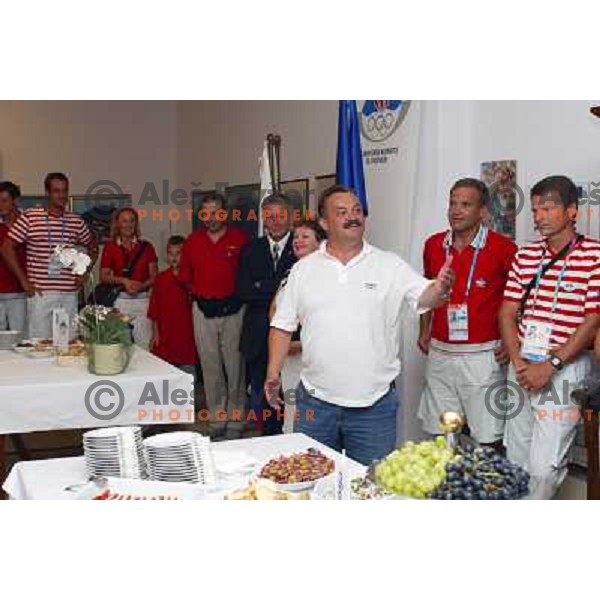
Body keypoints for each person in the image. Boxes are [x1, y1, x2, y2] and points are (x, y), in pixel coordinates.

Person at [266, 185, 455, 465]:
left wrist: (439, 289)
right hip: (315, 404)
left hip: (374, 407)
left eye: (357, 211)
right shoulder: (304, 270)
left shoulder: (389, 265)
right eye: (341, 212)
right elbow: (282, 325)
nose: (352, 217)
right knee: (313, 485)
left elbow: (425, 296)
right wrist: (273, 372)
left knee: (372, 488)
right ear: (323, 222)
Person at [500, 175, 600, 499]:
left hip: (565, 369)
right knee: (515, 462)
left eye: (548, 208)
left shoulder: (594, 256)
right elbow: (506, 313)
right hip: (522, 365)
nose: (539, 216)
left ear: (572, 211)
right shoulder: (525, 255)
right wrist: (518, 363)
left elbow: (592, 320)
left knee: (544, 468)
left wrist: (551, 364)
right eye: (536, 209)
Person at [418, 178, 517, 447]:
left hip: (483, 357)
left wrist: (513, 342)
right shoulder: (433, 245)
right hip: (440, 354)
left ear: (483, 211)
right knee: (442, 436)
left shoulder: (503, 248)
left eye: (465, 204)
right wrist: (423, 329)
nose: (456, 211)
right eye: (452, 203)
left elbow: (520, 300)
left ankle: (484, 488)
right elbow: (426, 289)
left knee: (487, 439)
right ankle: (448, 488)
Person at [179, 193, 249, 440]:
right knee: (210, 368)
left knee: (235, 367)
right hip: (203, 310)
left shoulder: (240, 239)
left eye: (216, 212)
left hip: (233, 311)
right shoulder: (192, 241)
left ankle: (236, 419)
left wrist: (234, 300)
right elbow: (185, 277)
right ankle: (217, 418)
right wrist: (201, 298)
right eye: (206, 213)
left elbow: (248, 275)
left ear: (225, 212)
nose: (211, 218)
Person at [0, 172, 97, 339]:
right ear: (47, 193)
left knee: (67, 343)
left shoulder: (76, 221)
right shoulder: (31, 217)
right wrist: (23, 280)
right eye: (56, 191)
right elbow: (6, 248)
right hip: (40, 294)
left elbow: (93, 248)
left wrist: (85, 273)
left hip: (68, 294)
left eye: (64, 191)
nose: (61, 195)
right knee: (38, 345)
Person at [237, 194, 297, 435]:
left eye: (280, 215)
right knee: (263, 392)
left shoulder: (302, 245)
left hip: (293, 336)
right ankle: (268, 437)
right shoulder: (251, 249)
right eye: (270, 216)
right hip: (257, 332)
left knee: (289, 394)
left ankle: (291, 438)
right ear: (263, 218)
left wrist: (262, 286)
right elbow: (242, 290)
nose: (276, 221)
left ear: (290, 216)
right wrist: (279, 287)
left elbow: (298, 293)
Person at [269, 218, 327, 433]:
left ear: (320, 242)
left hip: (310, 356)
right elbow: (274, 309)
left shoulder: (325, 274)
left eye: (305, 236)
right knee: (291, 414)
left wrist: (299, 343)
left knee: (310, 417)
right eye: (295, 237)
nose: (298, 241)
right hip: (288, 358)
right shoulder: (291, 272)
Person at [99, 207, 157, 349]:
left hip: (143, 302)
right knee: (120, 346)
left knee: (144, 346)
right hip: (120, 302)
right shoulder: (110, 247)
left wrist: (141, 286)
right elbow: (103, 277)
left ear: (136, 224)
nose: (128, 224)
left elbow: (155, 276)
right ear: (117, 224)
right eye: (124, 221)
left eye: (132, 220)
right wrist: (124, 281)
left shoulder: (147, 247)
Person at [148, 235, 198, 373]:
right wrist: (155, 334)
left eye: (178, 253)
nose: (174, 257)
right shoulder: (160, 279)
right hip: (165, 337)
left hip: (187, 337)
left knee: (187, 376)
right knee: (165, 376)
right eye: (170, 253)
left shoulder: (192, 278)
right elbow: (154, 310)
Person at [0, 181, 27, 333]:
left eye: (4, 200)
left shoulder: (28, 223)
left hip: (20, 293)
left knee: (21, 339)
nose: (0, 205)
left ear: (15, 201)